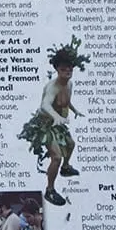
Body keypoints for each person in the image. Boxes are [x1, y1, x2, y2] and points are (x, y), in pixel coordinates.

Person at [18, 37, 90, 207]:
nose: (68, 72)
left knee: (71, 144)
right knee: (56, 157)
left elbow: (65, 101)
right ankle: (50, 190)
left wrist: (75, 110)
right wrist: (55, 116)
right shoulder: (52, 86)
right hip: (45, 126)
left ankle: (66, 168)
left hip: (58, 123)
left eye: (70, 69)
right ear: (57, 69)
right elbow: (45, 105)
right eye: (64, 69)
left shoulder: (69, 84)